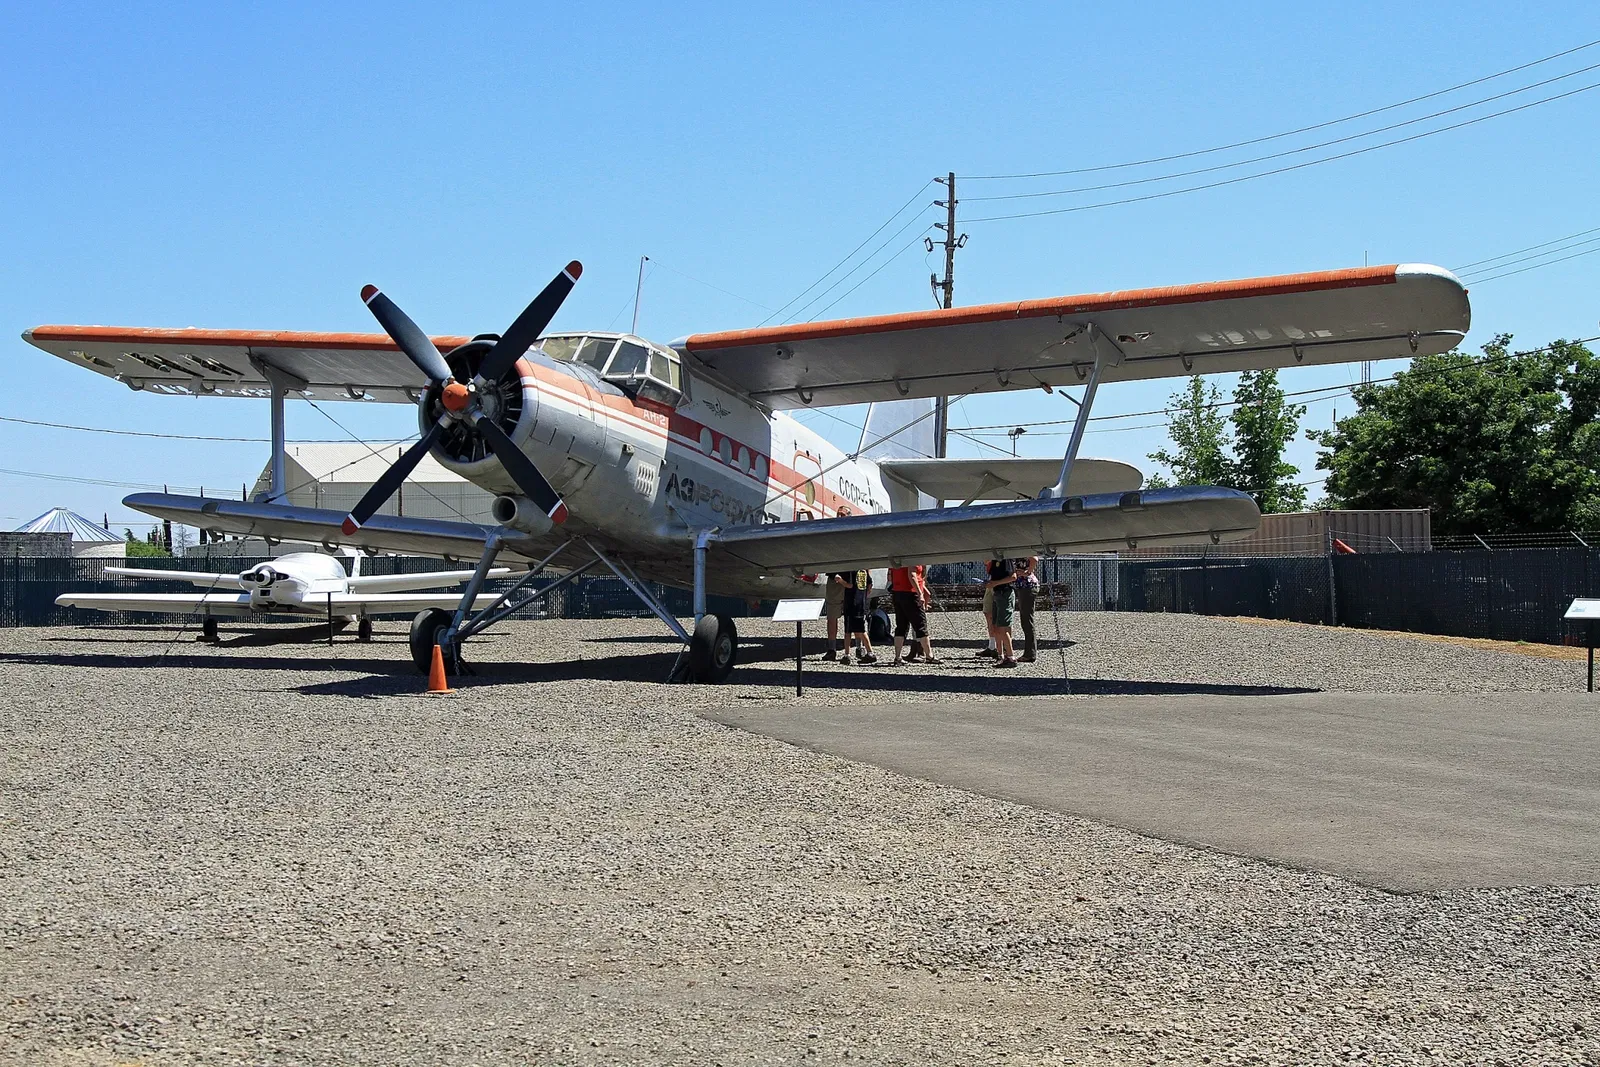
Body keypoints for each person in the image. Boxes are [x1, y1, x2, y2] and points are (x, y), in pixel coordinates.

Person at [887, 563, 939, 666]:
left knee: (901, 626)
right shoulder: (913, 558)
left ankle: (897, 657)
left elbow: (889, 577)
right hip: (911, 593)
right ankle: (929, 656)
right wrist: (920, 594)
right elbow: (912, 575)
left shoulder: (897, 560)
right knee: (921, 625)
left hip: (897, 593)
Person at [985, 557, 1018, 668]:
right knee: (997, 626)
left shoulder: (1006, 560)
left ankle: (1011, 657)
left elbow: (1013, 577)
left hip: (1005, 593)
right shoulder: (994, 561)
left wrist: (995, 583)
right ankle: (1001, 655)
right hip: (998, 593)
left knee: (1003, 627)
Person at [839, 568, 877, 664]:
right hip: (861, 603)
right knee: (860, 629)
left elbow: (849, 585)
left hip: (851, 603)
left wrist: (840, 580)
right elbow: (869, 585)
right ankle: (868, 652)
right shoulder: (863, 571)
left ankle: (848, 654)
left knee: (848, 630)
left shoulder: (850, 570)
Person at [1014, 555, 1040, 663]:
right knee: (1025, 620)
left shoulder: (1024, 549)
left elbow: (1034, 559)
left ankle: (1030, 653)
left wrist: (1027, 572)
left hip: (1027, 586)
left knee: (1027, 620)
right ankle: (1029, 652)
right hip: (1023, 586)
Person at [822, 571, 847, 660]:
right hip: (835, 579)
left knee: (854, 616)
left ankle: (859, 648)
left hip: (853, 578)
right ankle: (831, 649)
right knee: (832, 616)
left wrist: (868, 580)